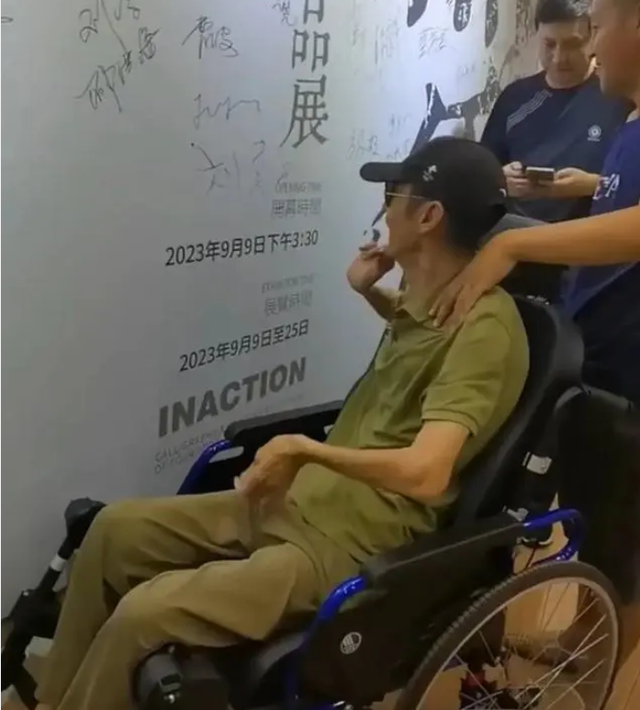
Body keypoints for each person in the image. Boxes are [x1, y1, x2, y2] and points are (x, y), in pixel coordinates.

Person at [34, 138, 529, 710]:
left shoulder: (485, 329)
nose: (384, 209)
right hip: (298, 503)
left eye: (394, 195)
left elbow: (428, 470)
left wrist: (305, 450)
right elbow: (422, 343)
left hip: (347, 543)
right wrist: (368, 291)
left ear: (428, 216)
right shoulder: (437, 299)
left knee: (143, 615)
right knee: (112, 533)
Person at [430, 0, 640, 674]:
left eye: (599, 28)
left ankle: (597, 675)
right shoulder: (629, 127)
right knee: (596, 517)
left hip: (632, 372)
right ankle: (582, 640)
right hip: (597, 356)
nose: (591, 48)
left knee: (623, 536)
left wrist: (516, 245)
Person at [481, 0, 630, 223]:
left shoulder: (620, 96)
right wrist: (500, 180)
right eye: (549, 44)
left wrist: (591, 185)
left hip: (589, 232)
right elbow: (482, 170)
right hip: (516, 227)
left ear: (593, 39)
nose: (559, 58)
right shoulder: (514, 97)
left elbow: (632, 185)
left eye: (572, 44)